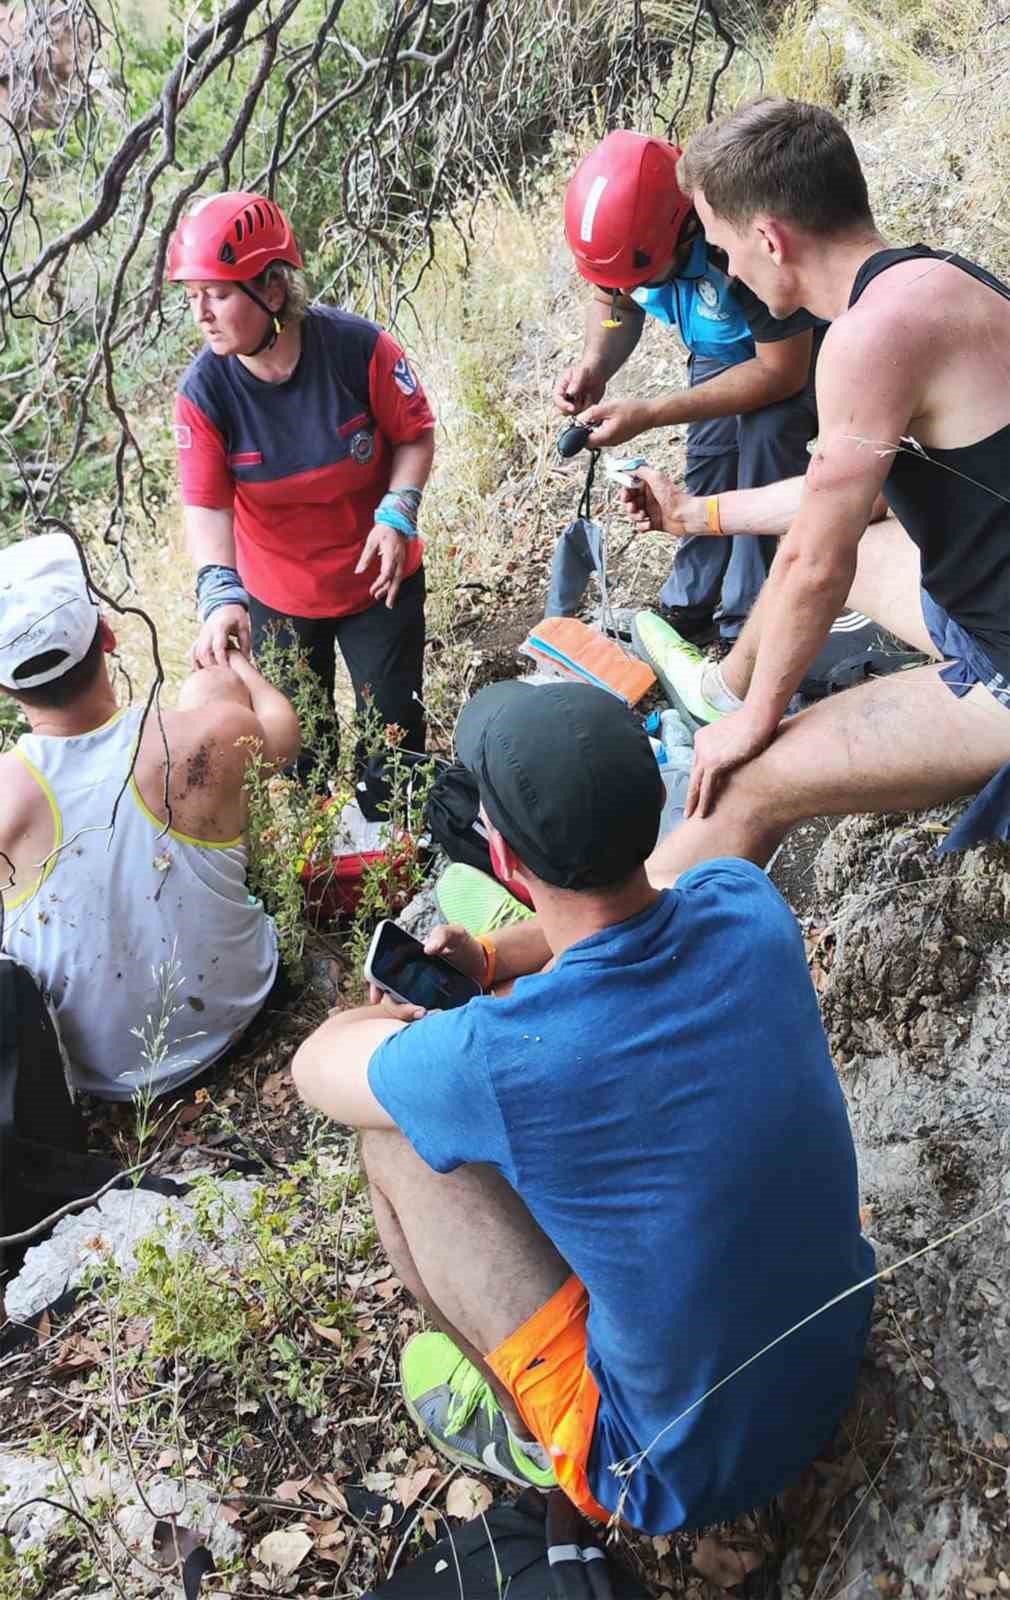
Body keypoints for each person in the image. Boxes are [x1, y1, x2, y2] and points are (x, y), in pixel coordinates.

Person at [292, 679, 874, 1533]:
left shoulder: (497, 1057)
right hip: (833, 1350)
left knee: (395, 1143)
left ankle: (528, 1434)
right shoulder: (749, 907)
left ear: (504, 856)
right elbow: (671, 883)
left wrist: (403, 1020)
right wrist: (495, 956)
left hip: (663, 1471)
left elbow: (316, 1068)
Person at [615, 97, 1010, 880]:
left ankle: (604, 975)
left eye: (725, 249)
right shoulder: (932, 280)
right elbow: (850, 506)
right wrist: (697, 515)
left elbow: (815, 568)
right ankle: (717, 691)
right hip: (982, 596)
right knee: (840, 542)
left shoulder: (866, 340)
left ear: (769, 237)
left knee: (745, 784)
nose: (727, 271)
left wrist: (760, 721)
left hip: (1004, 666)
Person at [0, 532, 301, 1100]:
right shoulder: (208, 734)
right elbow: (282, 739)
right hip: (244, 1010)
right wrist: (239, 666)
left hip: (106, 1080)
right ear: (109, 638)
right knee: (211, 687)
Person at [169, 191, 436, 777]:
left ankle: (400, 851)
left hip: (378, 584)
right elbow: (208, 507)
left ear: (270, 289)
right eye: (192, 297)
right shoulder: (205, 396)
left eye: (216, 293)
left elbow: (414, 435)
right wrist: (220, 594)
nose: (201, 315)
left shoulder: (355, 349)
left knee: (391, 757)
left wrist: (397, 512)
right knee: (301, 757)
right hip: (280, 599)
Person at [555, 131, 824, 642]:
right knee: (711, 461)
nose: (632, 288)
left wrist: (652, 411)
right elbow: (615, 305)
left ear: (683, 234)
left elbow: (779, 373)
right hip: (721, 350)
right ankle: (691, 605)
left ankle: (751, 621)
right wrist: (594, 365)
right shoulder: (632, 248)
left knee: (766, 444)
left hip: (799, 349)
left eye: (646, 276)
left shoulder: (738, 251)